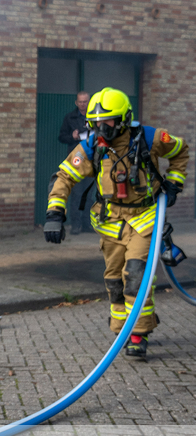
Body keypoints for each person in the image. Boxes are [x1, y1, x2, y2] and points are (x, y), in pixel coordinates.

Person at [43, 87, 188, 360]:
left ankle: (138, 334)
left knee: (136, 274)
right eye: (96, 123)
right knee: (114, 280)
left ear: (123, 119)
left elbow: (180, 151)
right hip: (110, 222)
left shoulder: (149, 138)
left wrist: (174, 183)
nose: (101, 128)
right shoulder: (92, 146)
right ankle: (121, 328)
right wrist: (54, 214)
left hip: (145, 220)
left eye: (107, 122)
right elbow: (64, 176)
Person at [58, 91, 92, 234]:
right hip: (76, 159)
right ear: (76, 103)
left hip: (91, 159)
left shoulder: (95, 118)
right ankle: (76, 225)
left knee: (89, 194)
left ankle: (86, 224)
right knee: (77, 193)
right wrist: (72, 137)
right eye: (80, 101)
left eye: (85, 101)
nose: (83, 104)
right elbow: (61, 137)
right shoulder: (69, 118)